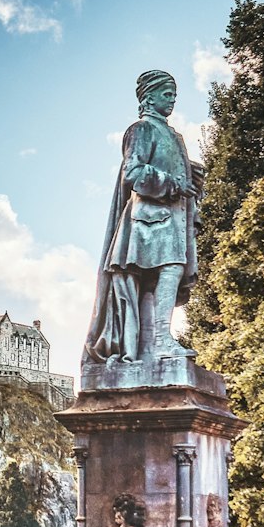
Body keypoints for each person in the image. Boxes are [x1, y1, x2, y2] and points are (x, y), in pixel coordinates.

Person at [84, 69, 200, 364]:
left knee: (163, 276)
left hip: (168, 218)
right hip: (149, 219)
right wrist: (173, 183)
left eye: (174, 94)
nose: (172, 100)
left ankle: (155, 341)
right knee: (169, 269)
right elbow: (133, 173)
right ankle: (160, 340)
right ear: (149, 97)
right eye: (167, 94)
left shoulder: (173, 135)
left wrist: (192, 174)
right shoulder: (142, 129)